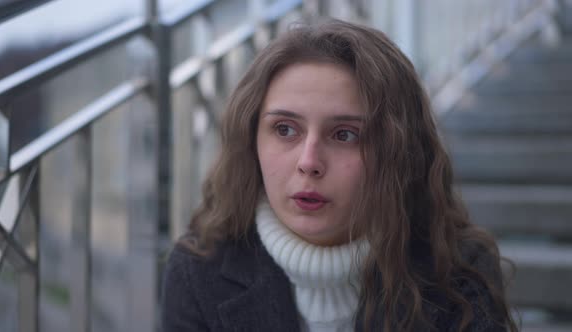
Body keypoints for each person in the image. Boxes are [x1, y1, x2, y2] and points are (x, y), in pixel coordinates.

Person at [161, 19, 519, 332]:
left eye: (345, 134)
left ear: (397, 153)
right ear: (251, 137)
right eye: (285, 129)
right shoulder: (199, 273)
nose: (309, 161)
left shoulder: (457, 273)